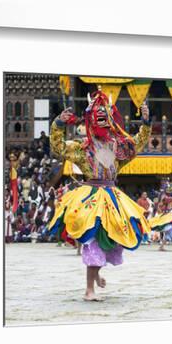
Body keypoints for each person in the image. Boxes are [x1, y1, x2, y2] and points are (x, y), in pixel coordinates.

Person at [47, 90, 151, 301]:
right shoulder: (82, 148)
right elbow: (57, 148)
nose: (102, 118)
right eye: (97, 114)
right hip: (92, 197)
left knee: (108, 239)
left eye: (106, 114)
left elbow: (137, 144)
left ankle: (95, 277)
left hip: (111, 197)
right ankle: (89, 290)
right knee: (93, 239)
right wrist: (58, 124)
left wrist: (146, 124)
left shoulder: (118, 148)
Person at [148, 180, 172, 251]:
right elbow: (168, 200)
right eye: (169, 190)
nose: (171, 191)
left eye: (171, 190)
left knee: (169, 230)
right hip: (165, 217)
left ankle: (162, 247)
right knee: (170, 228)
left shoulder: (169, 197)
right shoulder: (164, 197)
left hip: (169, 216)